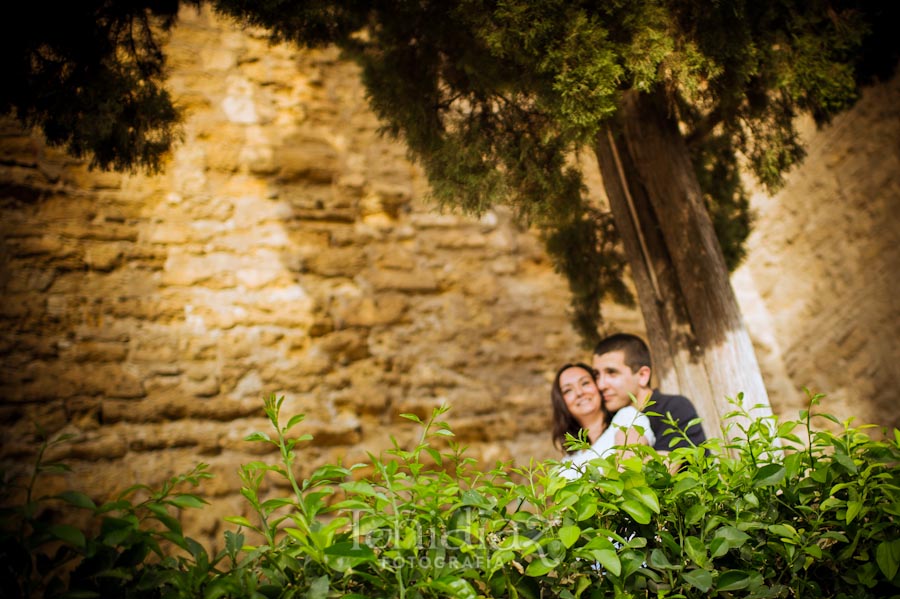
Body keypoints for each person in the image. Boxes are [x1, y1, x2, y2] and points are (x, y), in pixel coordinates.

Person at [592, 333, 706, 452]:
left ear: (642, 375)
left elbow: (665, 468)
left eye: (611, 373)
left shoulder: (673, 409)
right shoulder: (611, 420)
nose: (601, 385)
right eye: (596, 375)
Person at [550, 362, 654, 479]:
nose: (579, 393)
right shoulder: (565, 465)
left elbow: (629, 468)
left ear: (598, 386)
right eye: (568, 390)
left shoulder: (625, 418)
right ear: (561, 402)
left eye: (585, 383)